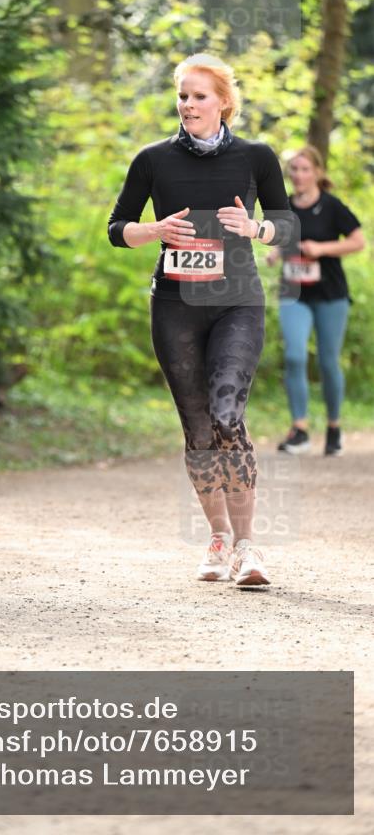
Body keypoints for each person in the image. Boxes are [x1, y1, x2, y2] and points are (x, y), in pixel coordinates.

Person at [108, 53, 294, 587]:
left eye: (199, 96)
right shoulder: (153, 159)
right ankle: (217, 538)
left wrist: (255, 229)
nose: (188, 104)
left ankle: (248, 546)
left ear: (223, 103)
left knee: (227, 413)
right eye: (182, 96)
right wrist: (155, 230)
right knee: (197, 427)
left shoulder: (256, 157)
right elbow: (117, 227)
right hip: (175, 307)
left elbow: (287, 224)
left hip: (238, 302)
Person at [268, 145, 365, 457]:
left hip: (330, 295)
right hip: (294, 293)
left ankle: (334, 427)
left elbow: (358, 242)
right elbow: (280, 237)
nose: (298, 175)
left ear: (318, 173)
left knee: (327, 362)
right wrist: (275, 253)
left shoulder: (331, 206)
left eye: (305, 169)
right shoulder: (284, 205)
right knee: (295, 356)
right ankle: (300, 429)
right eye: (294, 169)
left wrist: (321, 249)